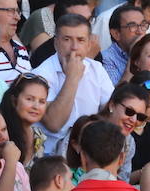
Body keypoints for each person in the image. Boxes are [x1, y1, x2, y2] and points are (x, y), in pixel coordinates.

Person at [34, 14, 115, 156]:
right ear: (56, 43)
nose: (74, 47)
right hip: (50, 158)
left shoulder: (97, 69)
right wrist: (72, 78)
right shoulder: (40, 75)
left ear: (89, 44)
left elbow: (112, 112)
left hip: (89, 152)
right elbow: (54, 124)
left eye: (81, 40)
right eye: (67, 39)